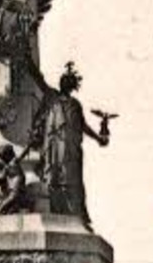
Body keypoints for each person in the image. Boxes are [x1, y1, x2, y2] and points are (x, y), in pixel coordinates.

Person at [28, 61, 108, 230]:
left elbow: (83, 126)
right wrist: (29, 62)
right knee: (54, 179)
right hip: (54, 147)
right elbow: (39, 79)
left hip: (71, 149)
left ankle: (75, 215)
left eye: (67, 81)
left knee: (73, 181)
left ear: (71, 86)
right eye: (63, 80)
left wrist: (98, 139)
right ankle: (57, 212)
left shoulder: (75, 105)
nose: (63, 83)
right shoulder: (52, 97)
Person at [0, 143, 29, 214]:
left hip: (17, 185)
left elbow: (22, 155)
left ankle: (5, 208)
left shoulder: (12, 163)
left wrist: (27, 147)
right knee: (13, 198)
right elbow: (1, 178)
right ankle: (2, 208)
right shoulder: (7, 166)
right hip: (14, 186)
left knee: (14, 198)